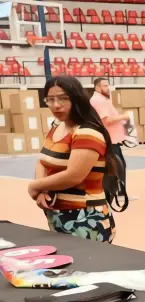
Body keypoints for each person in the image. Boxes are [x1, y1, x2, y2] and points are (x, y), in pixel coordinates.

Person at [28, 75, 116, 243]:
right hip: (58, 215)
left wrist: (34, 186)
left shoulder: (87, 132)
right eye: (50, 99)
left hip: (86, 217)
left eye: (63, 99)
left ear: (76, 99)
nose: (56, 105)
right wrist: (42, 191)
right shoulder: (57, 126)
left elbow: (74, 176)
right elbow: (43, 161)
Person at [90, 77, 129, 162]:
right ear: (97, 87)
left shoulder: (101, 99)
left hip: (112, 139)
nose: (108, 88)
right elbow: (106, 120)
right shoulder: (99, 100)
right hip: (110, 140)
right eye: (105, 86)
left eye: (108, 86)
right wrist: (124, 117)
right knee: (116, 168)